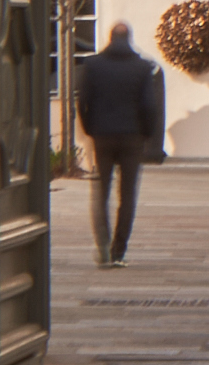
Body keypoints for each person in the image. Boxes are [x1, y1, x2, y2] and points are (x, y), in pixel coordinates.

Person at [70, 21, 165, 265]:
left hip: (102, 135)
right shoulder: (142, 67)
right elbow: (149, 105)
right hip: (132, 137)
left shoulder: (93, 65)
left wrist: (90, 129)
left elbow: (83, 102)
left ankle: (102, 244)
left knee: (101, 191)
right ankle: (118, 250)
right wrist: (147, 134)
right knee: (128, 194)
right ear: (130, 38)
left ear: (110, 38)